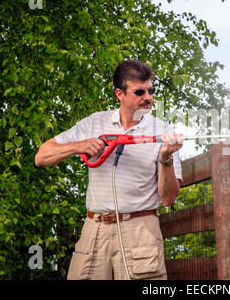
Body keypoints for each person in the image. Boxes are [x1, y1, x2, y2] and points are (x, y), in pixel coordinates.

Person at [35, 59, 183, 280]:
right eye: (139, 92)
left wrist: (166, 158)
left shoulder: (162, 131)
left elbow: (169, 198)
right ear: (119, 94)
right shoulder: (94, 123)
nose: (148, 98)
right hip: (94, 228)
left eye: (151, 90)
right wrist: (79, 146)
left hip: (140, 227)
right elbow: (41, 156)